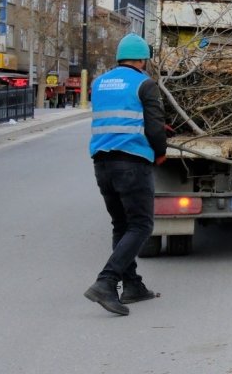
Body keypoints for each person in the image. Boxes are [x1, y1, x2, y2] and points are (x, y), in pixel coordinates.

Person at [83, 33, 167, 316]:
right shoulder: (145, 83)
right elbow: (154, 127)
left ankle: (132, 285)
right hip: (132, 162)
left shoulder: (99, 83)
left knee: (121, 224)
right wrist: (160, 151)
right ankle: (106, 282)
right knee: (141, 225)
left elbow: (118, 117)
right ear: (143, 59)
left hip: (102, 164)